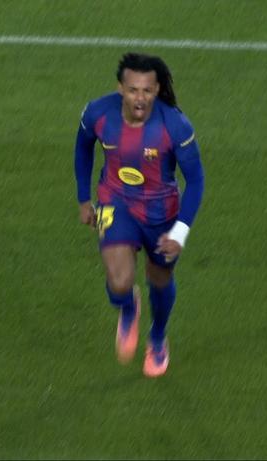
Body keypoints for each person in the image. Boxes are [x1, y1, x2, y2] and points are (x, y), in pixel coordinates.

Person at [74, 52, 204, 377]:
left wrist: (180, 233)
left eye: (147, 90)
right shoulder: (97, 114)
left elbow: (196, 180)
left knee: (160, 278)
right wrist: (83, 198)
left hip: (161, 213)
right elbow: (83, 146)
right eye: (133, 90)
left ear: (157, 90)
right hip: (114, 202)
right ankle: (128, 306)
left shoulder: (175, 126)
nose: (140, 98)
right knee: (119, 282)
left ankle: (157, 337)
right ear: (120, 88)